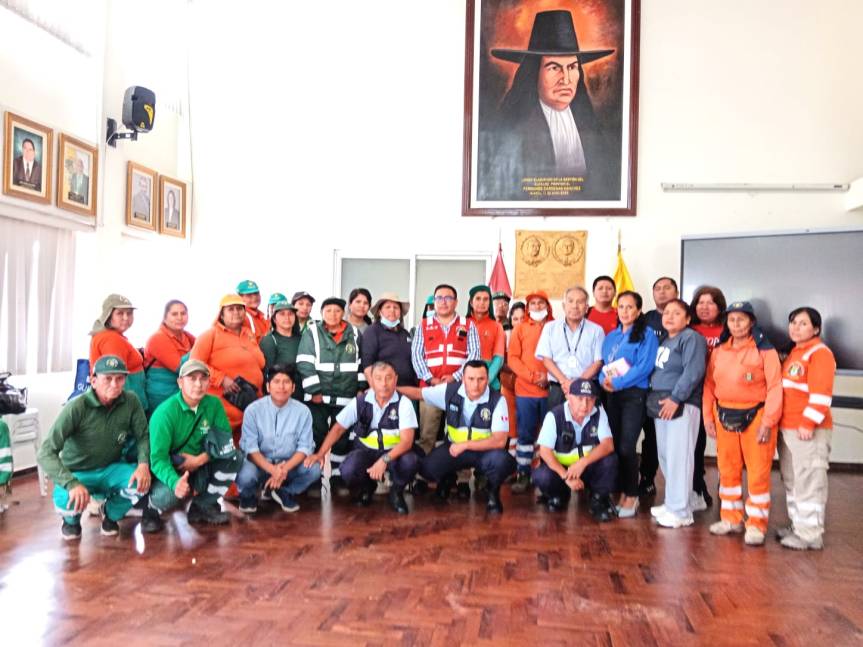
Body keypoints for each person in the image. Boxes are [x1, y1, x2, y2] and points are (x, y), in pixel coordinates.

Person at [482, 10, 619, 201]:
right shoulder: (514, 131)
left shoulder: (593, 130)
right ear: (534, 73)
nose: (566, 79)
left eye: (572, 67)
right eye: (554, 67)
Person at [37, 355, 151, 540]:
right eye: (108, 378)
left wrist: (143, 464)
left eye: (119, 378)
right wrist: (71, 483)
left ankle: (110, 514)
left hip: (110, 469)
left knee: (140, 483)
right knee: (66, 499)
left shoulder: (131, 401)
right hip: (77, 472)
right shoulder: (76, 407)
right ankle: (71, 521)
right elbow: (45, 452)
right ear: (94, 380)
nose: (114, 384)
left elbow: (143, 436)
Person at [703, 301, 782, 546]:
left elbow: (775, 387)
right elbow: (709, 386)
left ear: (751, 322)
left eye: (741, 319)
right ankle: (731, 519)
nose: (736, 324)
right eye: (732, 319)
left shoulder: (765, 351)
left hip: (757, 417)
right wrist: (708, 417)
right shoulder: (719, 351)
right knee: (727, 469)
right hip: (723, 415)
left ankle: (756, 524)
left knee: (758, 473)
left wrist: (768, 422)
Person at [402, 360, 516, 513]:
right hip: (453, 449)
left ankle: (493, 492)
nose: (476, 385)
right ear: (463, 379)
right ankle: (448, 478)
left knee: (502, 462)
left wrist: (465, 445)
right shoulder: (450, 391)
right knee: (427, 470)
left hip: (483, 452)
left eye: (481, 379)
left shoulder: (497, 400)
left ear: (487, 379)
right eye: (471, 379)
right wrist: (388, 389)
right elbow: (418, 393)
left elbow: (500, 441)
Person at [308, 361, 421, 514]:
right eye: (378, 378)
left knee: (411, 462)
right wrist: (320, 454)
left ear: (396, 379)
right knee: (348, 469)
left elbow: (407, 442)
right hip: (367, 452)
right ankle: (367, 488)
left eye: (388, 378)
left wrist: (384, 460)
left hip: (394, 454)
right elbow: (338, 429)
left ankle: (396, 491)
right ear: (371, 380)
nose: (384, 383)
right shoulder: (361, 401)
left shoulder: (404, 403)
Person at [147, 360, 242, 528]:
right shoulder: (165, 413)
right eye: (192, 378)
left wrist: (200, 460)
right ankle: (151, 509)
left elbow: (224, 441)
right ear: (180, 382)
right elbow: (158, 459)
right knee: (169, 495)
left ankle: (203, 505)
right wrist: (175, 482)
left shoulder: (214, 404)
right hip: (174, 468)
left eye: (203, 378)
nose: (198, 384)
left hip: (201, 464)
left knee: (235, 457)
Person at [777, 307, 835, 550]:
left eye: (803, 323)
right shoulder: (794, 353)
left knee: (810, 480)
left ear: (816, 329)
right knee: (793, 479)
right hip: (788, 428)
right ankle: (798, 525)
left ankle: (810, 535)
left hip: (807, 430)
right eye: (793, 323)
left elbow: (821, 394)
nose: (796, 328)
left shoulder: (819, 353)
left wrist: (808, 423)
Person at [647, 299, 707, 528]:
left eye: (676, 313)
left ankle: (681, 512)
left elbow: (694, 371)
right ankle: (674, 502)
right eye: (667, 313)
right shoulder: (665, 339)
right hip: (662, 402)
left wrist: (676, 398)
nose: (669, 316)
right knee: (666, 455)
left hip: (681, 403)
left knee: (679, 457)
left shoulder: (691, 338)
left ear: (688, 318)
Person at [296, 297, 366, 488]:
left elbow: (361, 363)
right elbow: (304, 362)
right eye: (328, 311)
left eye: (337, 311)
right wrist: (314, 390)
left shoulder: (354, 333)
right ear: (321, 313)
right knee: (316, 435)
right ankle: (314, 478)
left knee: (342, 438)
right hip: (318, 397)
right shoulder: (311, 332)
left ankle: (337, 476)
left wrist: (361, 388)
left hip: (346, 395)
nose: (333, 315)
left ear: (343, 313)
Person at [600, 291, 659, 518]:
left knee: (627, 446)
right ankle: (622, 491)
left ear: (638, 310)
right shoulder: (611, 336)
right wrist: (603, 381)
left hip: (634, 395)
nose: (625, 311)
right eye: (621, 307)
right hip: (612, 396)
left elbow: (644, 367)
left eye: (630, 307)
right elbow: (604, 364)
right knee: (615, 445)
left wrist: (618, 382)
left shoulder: (646, 334)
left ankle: (632, 496)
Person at [237, 365, 321, 514]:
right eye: (276, 382)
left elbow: (304, 448)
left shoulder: (303, 412)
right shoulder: (253, 410)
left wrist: (283, 469)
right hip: (260, 464)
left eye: (286, 382)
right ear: (268, 387)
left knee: (313, 469)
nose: (281, 387)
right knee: (245, 474)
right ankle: (248, 496)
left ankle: (285, 492)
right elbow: (250, 449)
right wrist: (273, 470)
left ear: (293, 387)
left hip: (288, 465)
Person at [410, 284, 480, 458]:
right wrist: (430, 379)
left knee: (460, 434)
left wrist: (455, 377)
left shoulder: (468, 325)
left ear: (456, 302)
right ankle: (424, 472)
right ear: (434, 302)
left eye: (448, 298)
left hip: (460, 388)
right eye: (439, 298)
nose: (443, 302)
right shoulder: (423, 326)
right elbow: (416, 355)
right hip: (430, 388)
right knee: (427, 435)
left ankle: (462, 473)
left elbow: (474, 355)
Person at [533, 379, 618, 520]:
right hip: (561, 470)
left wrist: (582, 463)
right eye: (580, 399)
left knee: (610, 461)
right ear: (569, 397)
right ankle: (559, 495)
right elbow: (545, 451)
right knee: (541, 476)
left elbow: (608, 445)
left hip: (586, 467)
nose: (585, 405)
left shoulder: (599, 412)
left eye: (590, 399)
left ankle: (597, 499)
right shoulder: (554, 416)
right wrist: (565, 476)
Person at [190, 294, 266, 436]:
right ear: (221, 314)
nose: (236, 312)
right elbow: (194, 365)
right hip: (224, 406)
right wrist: (221, 379)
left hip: (251, 403)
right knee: (223, 442)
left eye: (239, 308)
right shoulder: (210, 335)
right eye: (231, 309)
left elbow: (261, 362)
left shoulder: (248, 334)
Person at [507, 290, 553, 493]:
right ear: (527, 308)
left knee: (551, 435)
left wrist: (549, 378)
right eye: (532, 303)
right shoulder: (520, 328)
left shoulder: (556, 327)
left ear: (548, 306)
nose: (536, 306)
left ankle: (548, 476)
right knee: (525, 434)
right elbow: (513, 359)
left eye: (540, 303)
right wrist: (534, 377)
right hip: (526, 391)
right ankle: (523, 474)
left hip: (552, 391)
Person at [639, 276, 680, 498]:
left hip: (671, 390)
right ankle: (645, 479)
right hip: (644, 387)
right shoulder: (645, 319)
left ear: (676, 292)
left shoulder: (683, 319)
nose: (662, 292)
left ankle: (686, 486)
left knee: (666, 440)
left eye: (667, 288)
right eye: (657, 288)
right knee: (649, 436)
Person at [689, 285, 728, 508]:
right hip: (695, 394)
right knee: (696, 444)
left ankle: (727, 488)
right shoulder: (689, 329)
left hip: (723, 395)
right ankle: (698, 487)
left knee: (726, 446)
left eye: (710, 303)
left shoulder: (729, 330)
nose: (704, 307)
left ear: (719, 307)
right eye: (700, 303)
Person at [535, 286, 604, 411]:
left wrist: (576, 384)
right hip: (559, 388)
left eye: (580, 302)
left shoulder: (597, 330)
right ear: (563, 305)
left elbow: (598, 362)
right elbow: (546, 359)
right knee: (557, 422)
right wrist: (565, 382)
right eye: (570, 301)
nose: (575, 306)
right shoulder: (550, 328)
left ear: (586, 307)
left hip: (586, 388)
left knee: (587, 423)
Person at [89, 293, 148, 411]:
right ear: (108, 315)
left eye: (129, 313)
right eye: (120, 313)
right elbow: (115, 379)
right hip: (126, 407)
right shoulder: (111, 339)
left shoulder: (111, 335)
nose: (126, 317)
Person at [144, 299, 196, 415]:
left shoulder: (186, 336)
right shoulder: (157, 338)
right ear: (165, 317)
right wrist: (202, 347)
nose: (179, 317)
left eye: (183, 313)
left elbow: (202, 348)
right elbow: (180, 367)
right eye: (174, 314)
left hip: (181, 393)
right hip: (160, 396)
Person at [361, 292, 417, 388]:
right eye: (388, 307)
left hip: (409, 389)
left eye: (396, 307)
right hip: (385, 390)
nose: (392, 310)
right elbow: (367, 367)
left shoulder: (405, 334)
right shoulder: (372, 331)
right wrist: (377, 391)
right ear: (379, 312)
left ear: (400, 312)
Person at [259, 300, 302, 400]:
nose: (287, 318)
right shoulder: (269, 340)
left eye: (290, 314)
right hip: (281, 395)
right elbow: (267, 373)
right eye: (282, 314)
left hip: (302, 394)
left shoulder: (302, 339)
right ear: (274, 319)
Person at [466, 285, 506, 391]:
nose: (482, 302)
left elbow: (499, 358)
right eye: (478, 298)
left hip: (489, 384)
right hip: (463, 382)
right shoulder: (462, 324)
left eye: (485, 299)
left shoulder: (497, 326)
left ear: (490, 302)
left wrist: (486, 381)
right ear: (471, 302)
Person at [500, 300, 526, 456]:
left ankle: (526, 462)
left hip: (529, 388)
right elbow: (500, 361)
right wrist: (516, 367)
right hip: (508, 386)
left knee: (529, 425)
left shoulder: (537, 335)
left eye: (523, 318)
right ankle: (510, 460)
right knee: (510, 426)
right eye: (515, 319)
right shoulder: (505, 335)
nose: (519, 322)